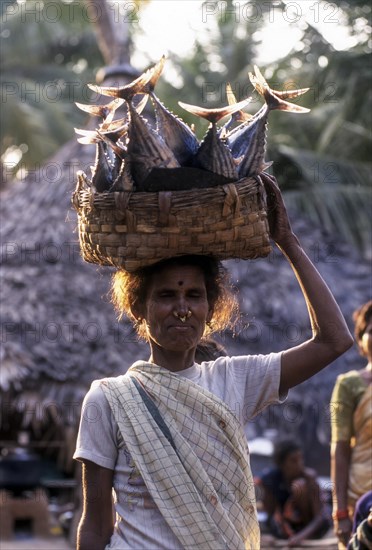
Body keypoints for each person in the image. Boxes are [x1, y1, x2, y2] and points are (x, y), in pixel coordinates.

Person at [73, 173, 353, 550]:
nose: (182, 309)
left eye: (194, 294)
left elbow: (334, 340)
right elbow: (95, 522)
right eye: (167, 295)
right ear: (139, 307)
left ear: (211, 307)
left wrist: (287, 241)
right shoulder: (108, 400)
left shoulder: (236, 380)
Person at [330, 301, 372, 549]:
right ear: (361, 339)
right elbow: (340, 449)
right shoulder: (348, 385)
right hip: (360, 498)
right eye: (371, 330)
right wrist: (341, 513)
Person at [258, 437, 331, 547]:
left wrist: (300, 537)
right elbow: (270, 512)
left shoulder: (309, 478)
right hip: (288, 528)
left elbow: (320, 516)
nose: (299, 464)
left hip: (311, 529)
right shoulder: (270, 480)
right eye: (293, 460)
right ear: (281, 463)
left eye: (300, 459)